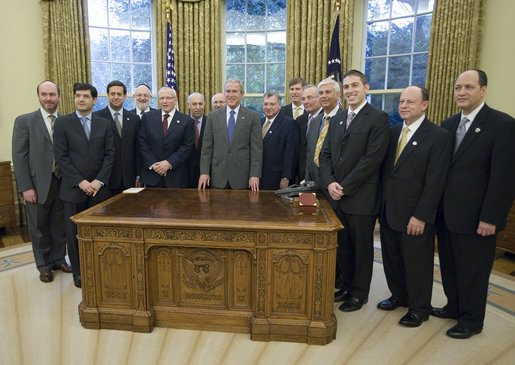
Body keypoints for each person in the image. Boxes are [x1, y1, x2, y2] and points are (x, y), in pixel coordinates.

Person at [434, 69, 515, 339]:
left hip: (477, 218)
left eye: (468, 87)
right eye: (458, 87)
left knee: (473, 272)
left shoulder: (502, 124)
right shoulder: (447, 124)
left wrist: (491, 217)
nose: (461, 92)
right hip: (447, 214)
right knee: (449, 266)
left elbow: (503, 178)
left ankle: (471, 320)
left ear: (483, 90)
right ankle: (454, 306)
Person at [378, 86, 452, 327]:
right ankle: (399, 296)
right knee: (392, 259)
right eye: (401, 101)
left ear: (425, 105)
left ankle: (420, 309)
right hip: (390, 211)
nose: (404, 106)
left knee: (417, 264)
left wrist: (421, 216)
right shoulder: (393, 132)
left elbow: (435, 181)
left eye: (410, 102)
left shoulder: (438, 136)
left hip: (415, 215)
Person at [320, 70, 389, 312]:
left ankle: (360, 294)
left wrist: (345, 187)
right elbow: (325, 154)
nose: (350, 90)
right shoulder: (338, 118)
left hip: (361, 198)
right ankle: (347, 287)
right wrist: (329, 183)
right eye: (346, 86)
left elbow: (372, 160)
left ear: (366, 88)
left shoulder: (378, 118)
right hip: (336, 197)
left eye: (354, 86)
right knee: (344, 247)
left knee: (361, 249)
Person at [53, 82, 115, 288]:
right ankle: (79, 274)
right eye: (78, 96)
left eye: (86, 96)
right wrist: (81, 182)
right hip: (73, 190)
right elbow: (61, 157)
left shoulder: (104, 123)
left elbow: (110, 155)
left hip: (99, 190)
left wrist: (98, 181)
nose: (81, 99)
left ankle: (99, 270)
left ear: (94, 100)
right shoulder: (63, 123)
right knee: (74, 235)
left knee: (99, 234)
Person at [12, 80, 72, 283]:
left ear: (59, 97)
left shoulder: (66, 121)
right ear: (38, 96)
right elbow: (19, 157)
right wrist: (26, 187)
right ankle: (44, 266)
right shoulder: (25, 121)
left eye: (52, 94)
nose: (48, 98)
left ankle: (58, 259)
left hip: (61, 183)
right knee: (38, 228)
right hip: (36, 186)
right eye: (44, 94)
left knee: (59, 226)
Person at [199, 78, 262, 191]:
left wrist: (254, 175)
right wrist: (204, 173)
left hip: (242, 179)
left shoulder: (253, 117)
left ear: (242, 94)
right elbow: (206, 149)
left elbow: (256, 150)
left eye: (234, 91)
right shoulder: (213, 116)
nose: (231, 95)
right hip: (218, 177)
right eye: (228, 91)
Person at [138, 86, 195, 188]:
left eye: (168, 98)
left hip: (176, 177)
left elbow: (187, 147)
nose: (165, 101)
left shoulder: (187, 121)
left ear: (176, 99)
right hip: (152, 176)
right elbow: (142, 144)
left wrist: (169, 163)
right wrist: (154, 165)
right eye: (161, 98)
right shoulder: (148, 118)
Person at [93, 80, 141, 195]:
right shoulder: (96, 118)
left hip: (129, 178)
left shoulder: (134, 119)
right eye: (112, 94)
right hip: (106, 179)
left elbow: (138, 149)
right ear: (107, 95)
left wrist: (139, 174)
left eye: (119, 94)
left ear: (125, 96)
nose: (116, 97)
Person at [305, 78, 342, 191]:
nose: (324, 96)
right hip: (314, 183)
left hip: (336, 184)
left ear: (338, 95)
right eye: (320, 93)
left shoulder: (345, 119)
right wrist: (307, 180)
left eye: (328, 92)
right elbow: (310, 153)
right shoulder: (315, 121)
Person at [260, 92, 299, 190]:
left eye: (272, 104)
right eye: (266, 104)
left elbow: (290, 153)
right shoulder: (258, 122)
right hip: (259, 177)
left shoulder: (289, 124)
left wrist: (286, 177)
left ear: (279, 106)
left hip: (278, 178)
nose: (268, 107)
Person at [296, 84, 323, 182]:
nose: (306, 102)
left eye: (309, 98)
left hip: (321, 176)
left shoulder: (327, 119)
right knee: (306, 198)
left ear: (319, 98)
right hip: (302, 176)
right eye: (303, 99)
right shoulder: (300, 120)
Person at [187, 92, 207, 188]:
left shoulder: (211, 122)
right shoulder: (182, 123)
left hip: (206, 173)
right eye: (194, 104)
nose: (198, 107)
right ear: (188, 105)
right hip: (186, 174)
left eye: (200, 104)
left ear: (204, 104)